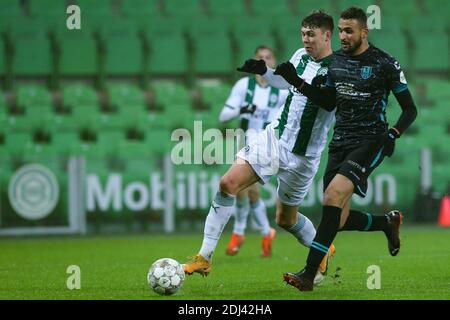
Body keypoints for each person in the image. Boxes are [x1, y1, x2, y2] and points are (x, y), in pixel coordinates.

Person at [182, 10, 336, 285]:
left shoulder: (340, 68)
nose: (306, 40)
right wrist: (265, 71)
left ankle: (322, 248)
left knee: (285, 219)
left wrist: (296, 81)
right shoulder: (301, 56)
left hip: (304, 156)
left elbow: (328, 102)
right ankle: (204, 257)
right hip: (275, 139)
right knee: (228, 184)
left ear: (327, 35)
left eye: (311, 35)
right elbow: (282, 83)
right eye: (303, 34)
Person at [273, 6, 418, 291]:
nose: (343, 36)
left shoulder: (385, 63)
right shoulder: (335, 62)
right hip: (340, 141)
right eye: (340, 30)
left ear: (364, 32)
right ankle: (385, 223)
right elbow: (327, 101)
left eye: (349, 31)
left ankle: (308, 274)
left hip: (371, 140)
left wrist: (393, 134)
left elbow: (410, 109)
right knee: (336, 218)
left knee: (331, 197)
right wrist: (297, 82)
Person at [218, 45, 288, 258]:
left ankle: (240, 233)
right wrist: (241, 109)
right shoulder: (243, 85)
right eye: (260, 58)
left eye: (268, 57)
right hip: (246, 143)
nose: (264, 61)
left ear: (274, 60)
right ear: (255, 61)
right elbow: (223, 116)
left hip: (268, 145)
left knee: (248, 190)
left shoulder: (283, 89)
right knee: (241, 192)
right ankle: (266, 232)